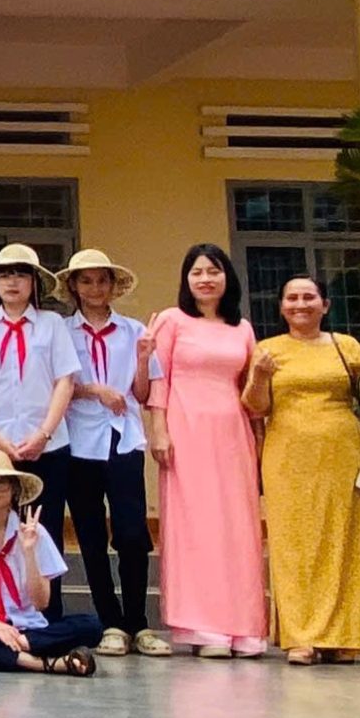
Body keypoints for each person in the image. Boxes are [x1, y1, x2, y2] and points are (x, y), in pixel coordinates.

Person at [244, 274, 360, 665]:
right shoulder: (267, 349)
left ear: (325, 305)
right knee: (294, 545)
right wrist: (259, 375)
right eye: (291, 298)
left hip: (341, 453)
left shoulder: (347, 346)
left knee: (345, 541)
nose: (300, 304)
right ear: (281, 307)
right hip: (287, 457)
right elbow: (256, 406)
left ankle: (345, 634)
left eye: (309, 297)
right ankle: (301, 636)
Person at [144, 243, 268, 659]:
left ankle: (244, 624)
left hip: (232, 433)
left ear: (227, 277)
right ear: (186, 280)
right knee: (195, 526)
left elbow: (251, 389)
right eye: (196, 272)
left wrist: (260, 440)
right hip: (186, 431)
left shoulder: (242, 328)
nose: (205, 279)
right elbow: (158, 380)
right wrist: (159, 430)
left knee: (238, 527)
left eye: (213, 271)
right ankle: (201, 624)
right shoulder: (172, 321)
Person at [54, 249, 166, 658]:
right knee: (90, 535)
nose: (95, 288)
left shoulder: (133, 330)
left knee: (132, 533)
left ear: (113, 285)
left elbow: (142, 393)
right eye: (86, 281)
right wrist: (94, 390)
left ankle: (138, 621)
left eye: (102, 280)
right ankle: (110, 622)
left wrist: (142, 359)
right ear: (73, 286)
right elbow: (55, 385)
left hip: (123, 439)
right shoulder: (61, 332)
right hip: (78, 441)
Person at [0, 451, 103, 675]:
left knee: (92, 625)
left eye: (1, 482)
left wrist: (29, 551)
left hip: (28, 628)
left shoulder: (34, 531)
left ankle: (5, 651)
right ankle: (43, 663)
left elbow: (42, 603)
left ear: (14, 488)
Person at [0, 244, 81, 564]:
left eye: (20, 274)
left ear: (34, 282)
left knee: (45, 530)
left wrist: (43, 434)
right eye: (4, 275)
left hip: (49, 446)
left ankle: (47, 596)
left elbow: (65, 381)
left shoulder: (52, 324)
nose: (12, 281)